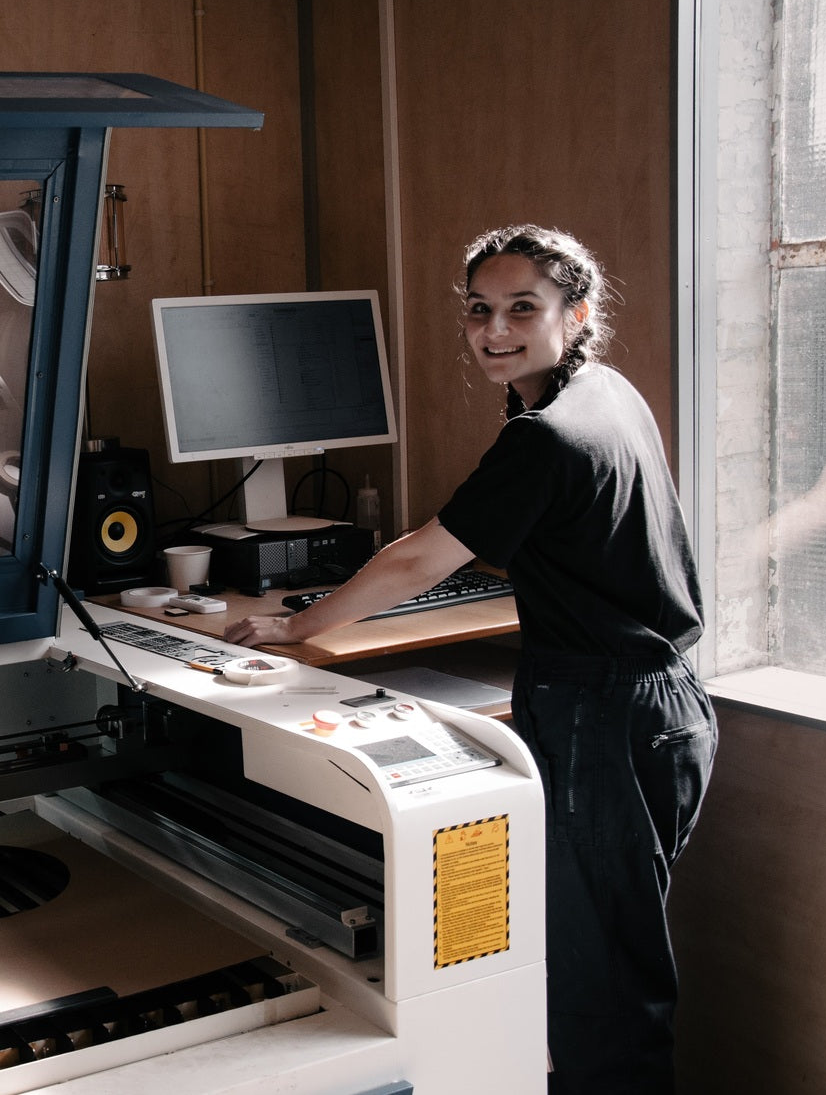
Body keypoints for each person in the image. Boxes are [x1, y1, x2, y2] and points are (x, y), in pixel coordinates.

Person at [224, 224, 718, 1094]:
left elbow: (420, 559)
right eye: (480, 310)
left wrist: (300, 627)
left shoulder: (544, 435)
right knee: (619, 965)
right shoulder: (607, 391)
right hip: (669, 706)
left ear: (578, 312)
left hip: (600, 717)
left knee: (601, 994)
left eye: (523, 308)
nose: (496, 330)